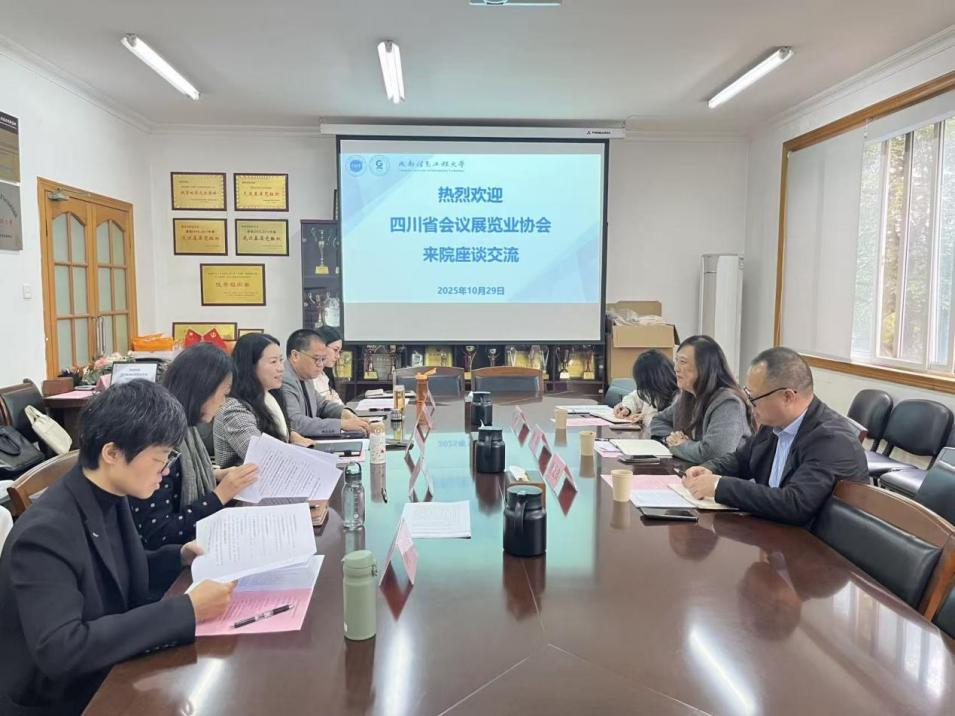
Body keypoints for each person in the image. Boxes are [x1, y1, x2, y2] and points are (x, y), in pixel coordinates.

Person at [0, 381, 234, 716]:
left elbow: (110, 570)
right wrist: (186, 610)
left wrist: (179, 556)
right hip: (61, 699)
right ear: (111, 453)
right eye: (160, 458)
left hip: (106, 671)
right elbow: (62, 650)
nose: (166, 469)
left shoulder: (109, 492)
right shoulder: (44, 534)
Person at [684, 346, 868, 526]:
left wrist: (719, 486)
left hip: (809, 539)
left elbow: (794, 504)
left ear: (787, 397)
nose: (749, 405)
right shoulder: (773, 423)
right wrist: (708, 469)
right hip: (774, 528)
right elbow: (742, 460)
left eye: (753, 398)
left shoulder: (830, 440)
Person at [129, 343, 258, 549]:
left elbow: (178, 478)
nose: (223, 402)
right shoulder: (161, 440)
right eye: (224, 393)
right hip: (170, 560)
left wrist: (215, 475)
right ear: (203, 389)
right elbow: (159, 534)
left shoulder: (186, 429)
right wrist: (220, 495)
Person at [214, 333, 314, 468]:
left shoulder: (269, 396)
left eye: (281, 360)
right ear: (250, 366)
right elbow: (264, 458)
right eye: (273, 362)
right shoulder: (234, 409)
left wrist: (292, 435)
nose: (281, 368)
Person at [649, 335, 753, 463]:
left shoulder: (729, 403)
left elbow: (714, 454)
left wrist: (680, 446)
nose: (676, 368)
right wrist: (670, 439)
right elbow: (658, 421)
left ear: (704, 367)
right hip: (694, 469)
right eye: (676, 361)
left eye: (682, 362)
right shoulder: (690, 396)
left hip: (722, 475)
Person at [281, 329, 369, 438]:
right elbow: (296, 423)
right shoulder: (285, 379)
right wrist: (341, 424)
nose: (320, 365)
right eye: (317, 359)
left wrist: (344, 413)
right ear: (295, 356)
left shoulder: (305, 375)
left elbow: (322, 405)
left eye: (323, 359)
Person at [612, 349, 679, 424]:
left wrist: (644, 417)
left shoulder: (678, 398)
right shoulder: (652, 391)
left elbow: (662, 423)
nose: (645, 391)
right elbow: (634, 397)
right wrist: (627, 408)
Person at [314, 325, 345, 405]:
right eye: (335, 350)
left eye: (339, 351)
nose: (338, 356)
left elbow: (339, 405)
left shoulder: (324, 376)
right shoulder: (309, 378)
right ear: (321, 346)